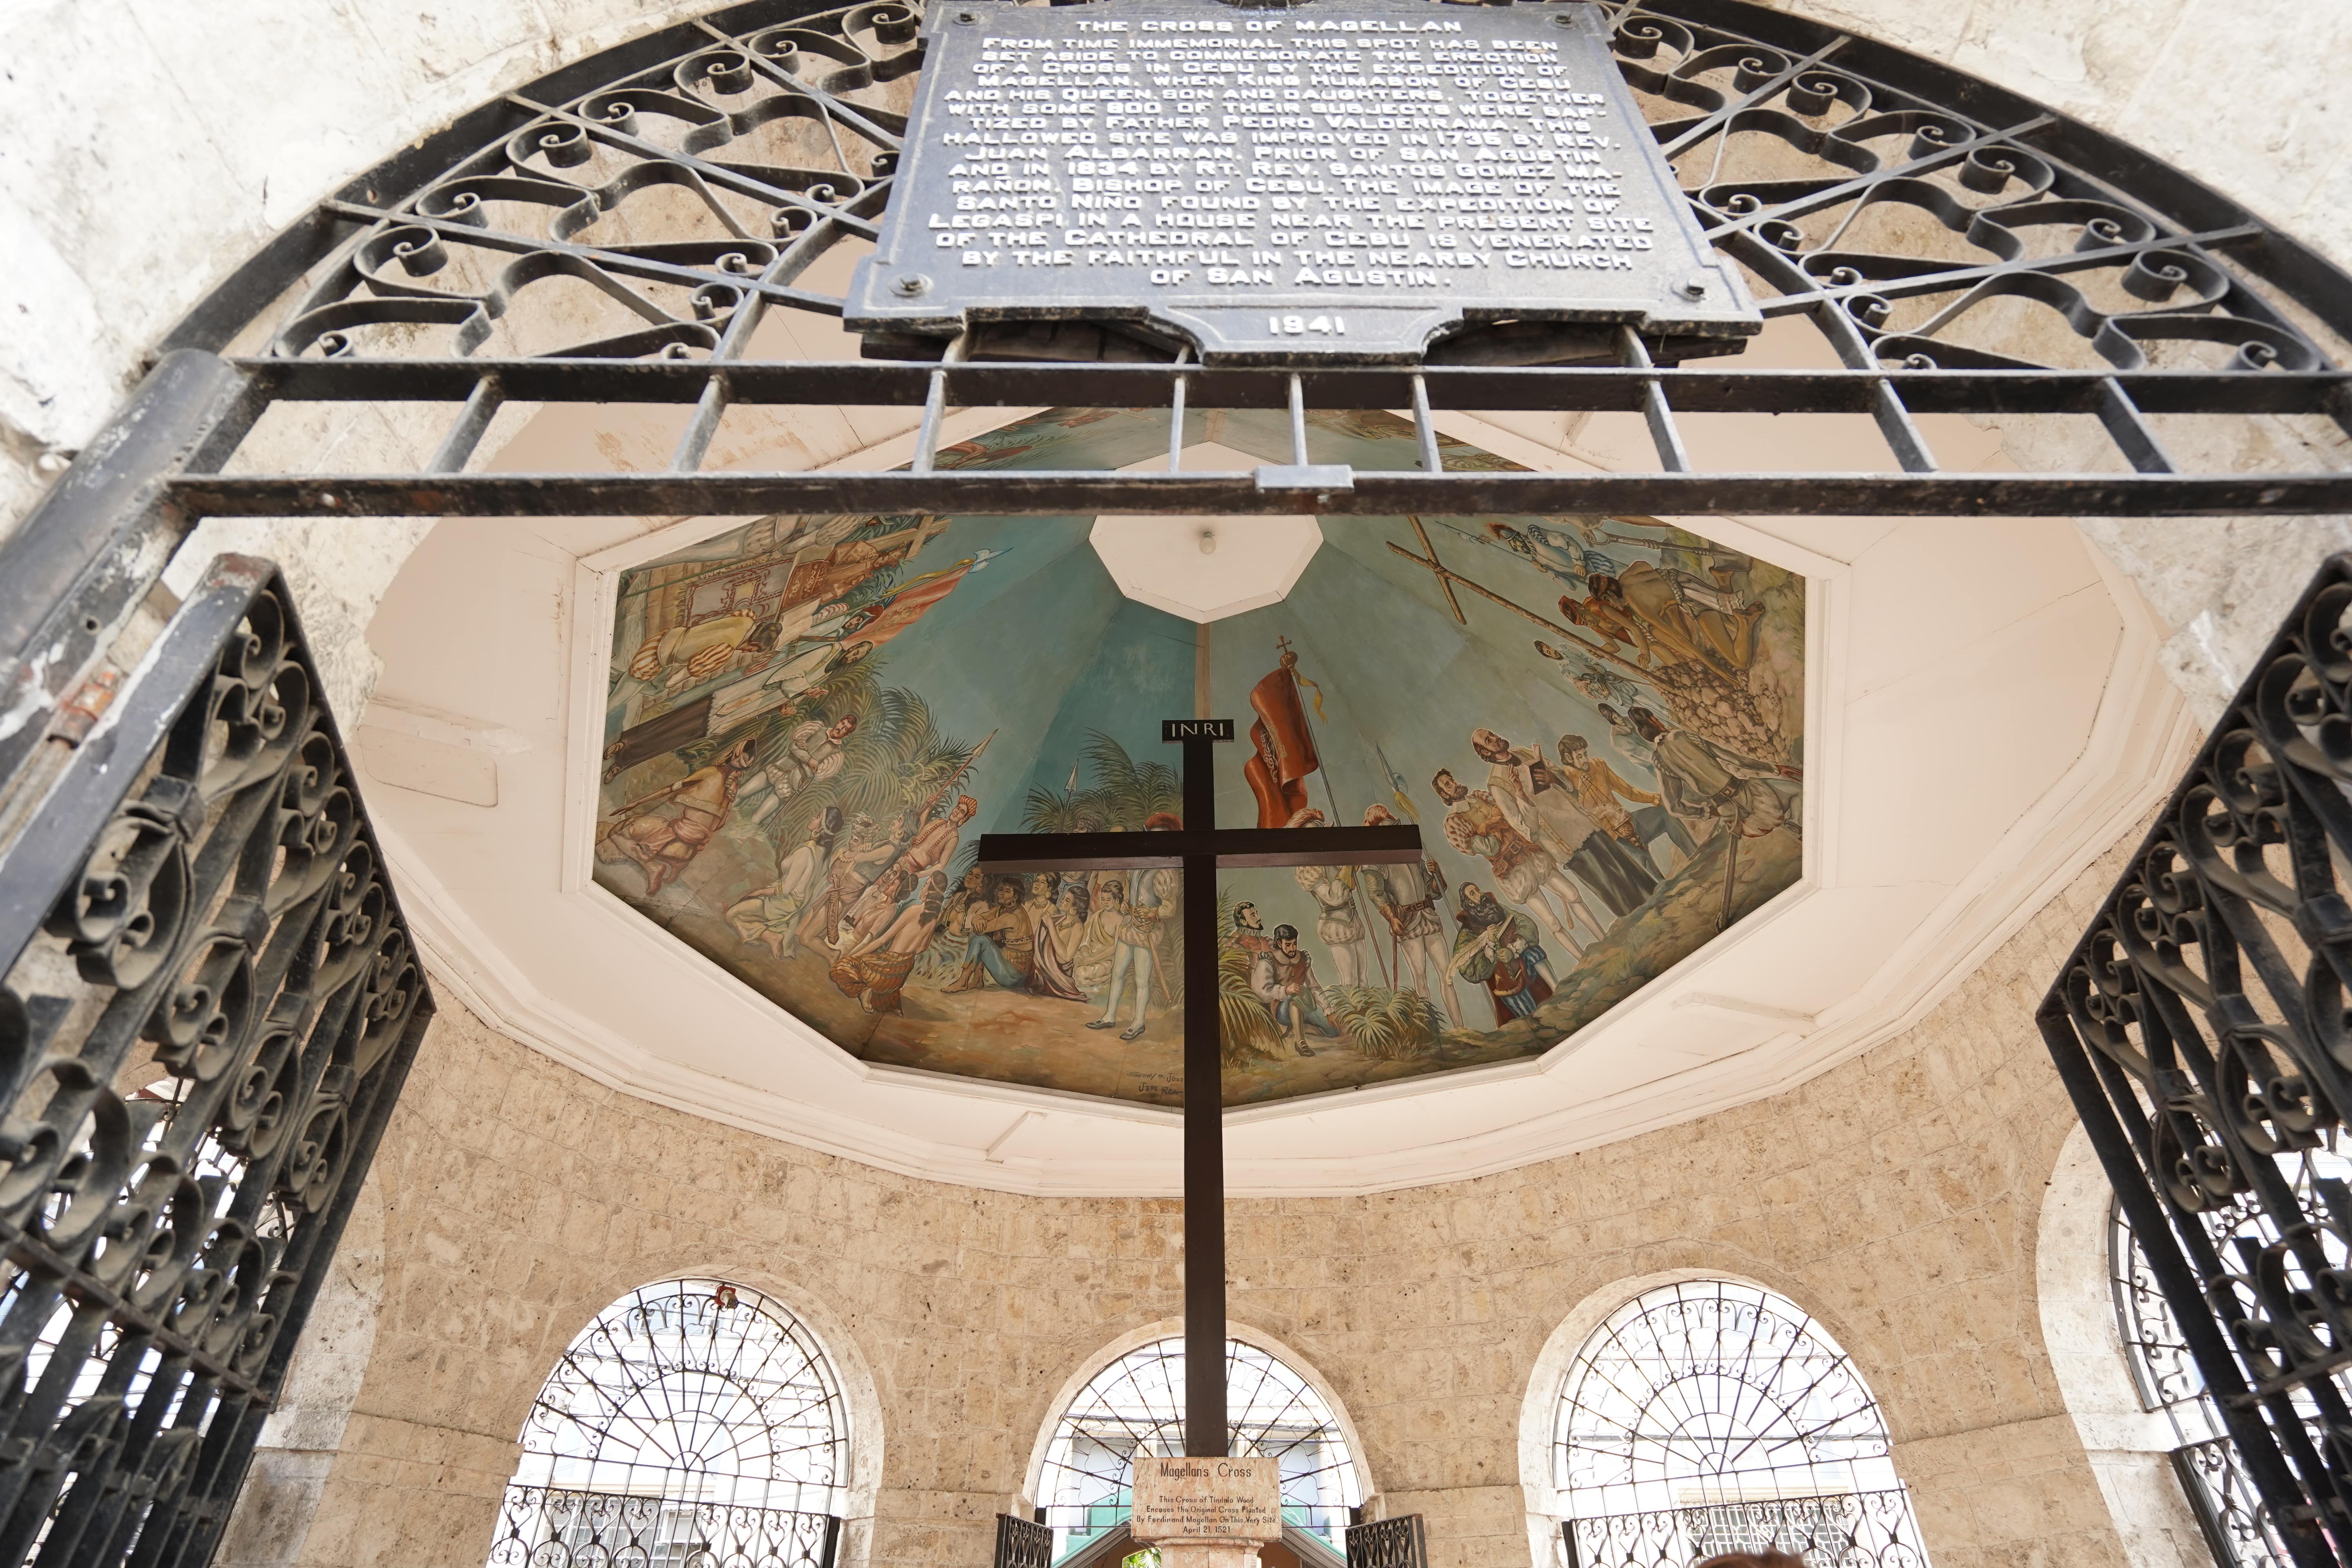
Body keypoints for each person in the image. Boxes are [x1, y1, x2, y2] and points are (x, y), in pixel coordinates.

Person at [1471, 727, 1654, 918]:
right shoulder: (1497, 784)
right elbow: (1525, 829)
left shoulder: (1523, 753)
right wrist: (1521, 795)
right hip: (1563, 840)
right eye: (1488, 740)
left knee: (1623, 865)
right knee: (1608, 883)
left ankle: (1659, 900)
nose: (1495, 738)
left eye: (1492, 734)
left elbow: (1567, 783)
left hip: (1581, 821)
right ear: (1486, 752)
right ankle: (1640, 919)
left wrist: (1553, 778)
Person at [1434, 768, 1595, 964]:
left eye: (1452, 779)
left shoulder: (1479, 796)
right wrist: (1497, 820)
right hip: (1512, 872)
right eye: (1448, 785)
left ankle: (1604, 938)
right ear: (1444, 795)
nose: (1454, 784)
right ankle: (1584, 961)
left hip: (1529, 853)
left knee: (1573, 894)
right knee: (1552, 922)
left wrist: (1489, 826)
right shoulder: (1454, 823)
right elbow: (1490, 848)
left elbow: (1511, 816)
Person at [595, 738, 757, 895]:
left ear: (731, 753)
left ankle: (652, 867)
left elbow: (669, 789)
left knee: (616, 832)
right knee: (662, 826)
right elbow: (720, 824)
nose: (737, 758)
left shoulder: (711, 772)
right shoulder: (733, 787)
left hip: (676, 836)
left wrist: (635, 803)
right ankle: (676, 863)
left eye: (739, 756)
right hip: (690, 850)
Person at [1359, 806, 1463, 1029]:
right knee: (1420, 977)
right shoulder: (1375, 861)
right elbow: (1376, 894)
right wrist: (1391, 918)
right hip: (1407, 923)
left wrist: (1437, 875)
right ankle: (1434, 1032)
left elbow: (1433, 891)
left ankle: (1459, 1028)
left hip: (1428, 917)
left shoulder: (1411, 854)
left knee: (1447, 975)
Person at [1633, 708, 1802, 839]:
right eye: (1655, 718)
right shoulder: (1682, 736)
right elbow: (1735, 759)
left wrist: (1706, 813)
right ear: (1654, 721)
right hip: (1753, 794)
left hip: (1733, 816)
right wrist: (1774, 769)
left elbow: (1673, 807)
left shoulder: (1659, 761)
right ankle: (1799, 826)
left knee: (1780, 815)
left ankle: (1795, 827)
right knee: (1798, 792)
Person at [1089, 812, 1182, 1040]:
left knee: (1142, 979)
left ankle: (1138, 1022)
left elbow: (1170, 908)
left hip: (1147, 931)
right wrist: (1125, 906)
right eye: (1152, 837)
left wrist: (1152, 912)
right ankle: (1109, 1016)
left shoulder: (1167, 872)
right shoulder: (1138, 863)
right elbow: (1130, 890)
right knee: (1117, 972)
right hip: (1129, 925)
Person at [1555, 733, 1681, 877]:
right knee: (1643, 862)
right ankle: (1666, 889)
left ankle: (1698, 855)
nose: (1585, 760)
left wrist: (1655, 798)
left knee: (1664, 814)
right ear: (1568, 758)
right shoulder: (1566, 784)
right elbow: (1578, 820)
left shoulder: (1598, 765)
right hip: (1610, 838)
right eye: (1579, 757)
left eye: (1585, 754)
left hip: (1628, 821)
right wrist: (1582, 793)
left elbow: (1627, 791)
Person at [725, 806, 840, 957]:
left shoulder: (806, 852)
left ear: (820, 829)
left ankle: (771, 937)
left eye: (818, 817)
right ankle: (765, 935)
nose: (813, 818)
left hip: (783, 903)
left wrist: (758, 892)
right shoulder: (825, 855)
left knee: (732, 915)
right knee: (742, 913)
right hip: (794, 904)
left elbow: (784, 890)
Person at [828, 869, 947, 1014]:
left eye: (926, 884)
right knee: (880, 990)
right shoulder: (933, 920)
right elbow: (922, 948)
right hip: (901, 973)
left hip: (887, 966)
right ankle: (882, 994)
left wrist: (854, 956)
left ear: (929, 891)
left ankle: (864, 991)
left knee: (839, 969)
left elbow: (883, 940)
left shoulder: (913, 910)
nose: (923, 888)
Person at [1449, 884, 1556, 1024]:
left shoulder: (1499, 909)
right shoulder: (1467, 932)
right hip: (1504, 980)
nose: (1479, 893)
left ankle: (1558, 990)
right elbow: (1468, 969)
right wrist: (1491, 945)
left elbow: (1528, 926)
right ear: (1469, 902)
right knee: (1533, 1018)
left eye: (1478, 889)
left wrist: (1512, 950)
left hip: (1523, 963)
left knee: (1534, 953)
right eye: (1473, 893)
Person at [737, 713, 857, 824]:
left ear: (848, 735)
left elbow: (813, 775)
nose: (841, 728)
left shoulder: (837, 755)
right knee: (741, 794)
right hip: (779, 767)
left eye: (846, 729)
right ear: (839, 722)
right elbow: (793, 747)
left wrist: (805, 752)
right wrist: (810, 760)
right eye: (842, 724)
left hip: (791, 785)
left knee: (757, 818)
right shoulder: (817, 728)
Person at [1251, 924, 1340, 1057]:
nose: (1293, 948)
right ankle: (1300, 1042)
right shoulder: (1268, 960)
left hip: (1304, 1005)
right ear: (1279, 943)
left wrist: (1328, 1009)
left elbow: (1314, 987)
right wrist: (1285, 990)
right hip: (1281, 1010)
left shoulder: (1303, 958)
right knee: (1295, 997)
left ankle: (1299, 1027)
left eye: (1295, 944)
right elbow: (1262, 992)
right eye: (1288, 945)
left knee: (1334, 1032)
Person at [948, 878, 1034, 992]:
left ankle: (963, 981)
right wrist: (979, 920)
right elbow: (978, 918)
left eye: (1007, 891)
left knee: (981, 939)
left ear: (1016, 897)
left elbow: (982, 929)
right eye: (1001, 890)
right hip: (1007, 965)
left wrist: (979, 923)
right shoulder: (1004, 909)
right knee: (975, 934)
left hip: (1014, 977)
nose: (1001, 894)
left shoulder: (1013, 917)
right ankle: (978, 979)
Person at [1031, 882, 1091, 1002]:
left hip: (1059, 974)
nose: (1062, 901)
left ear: (1074, 909)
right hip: (1046, 968)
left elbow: (1067, 957)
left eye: (1067, 900)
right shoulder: (1061, 919)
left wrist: (1051, 926)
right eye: (1063, 898)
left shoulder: (1078, 927)